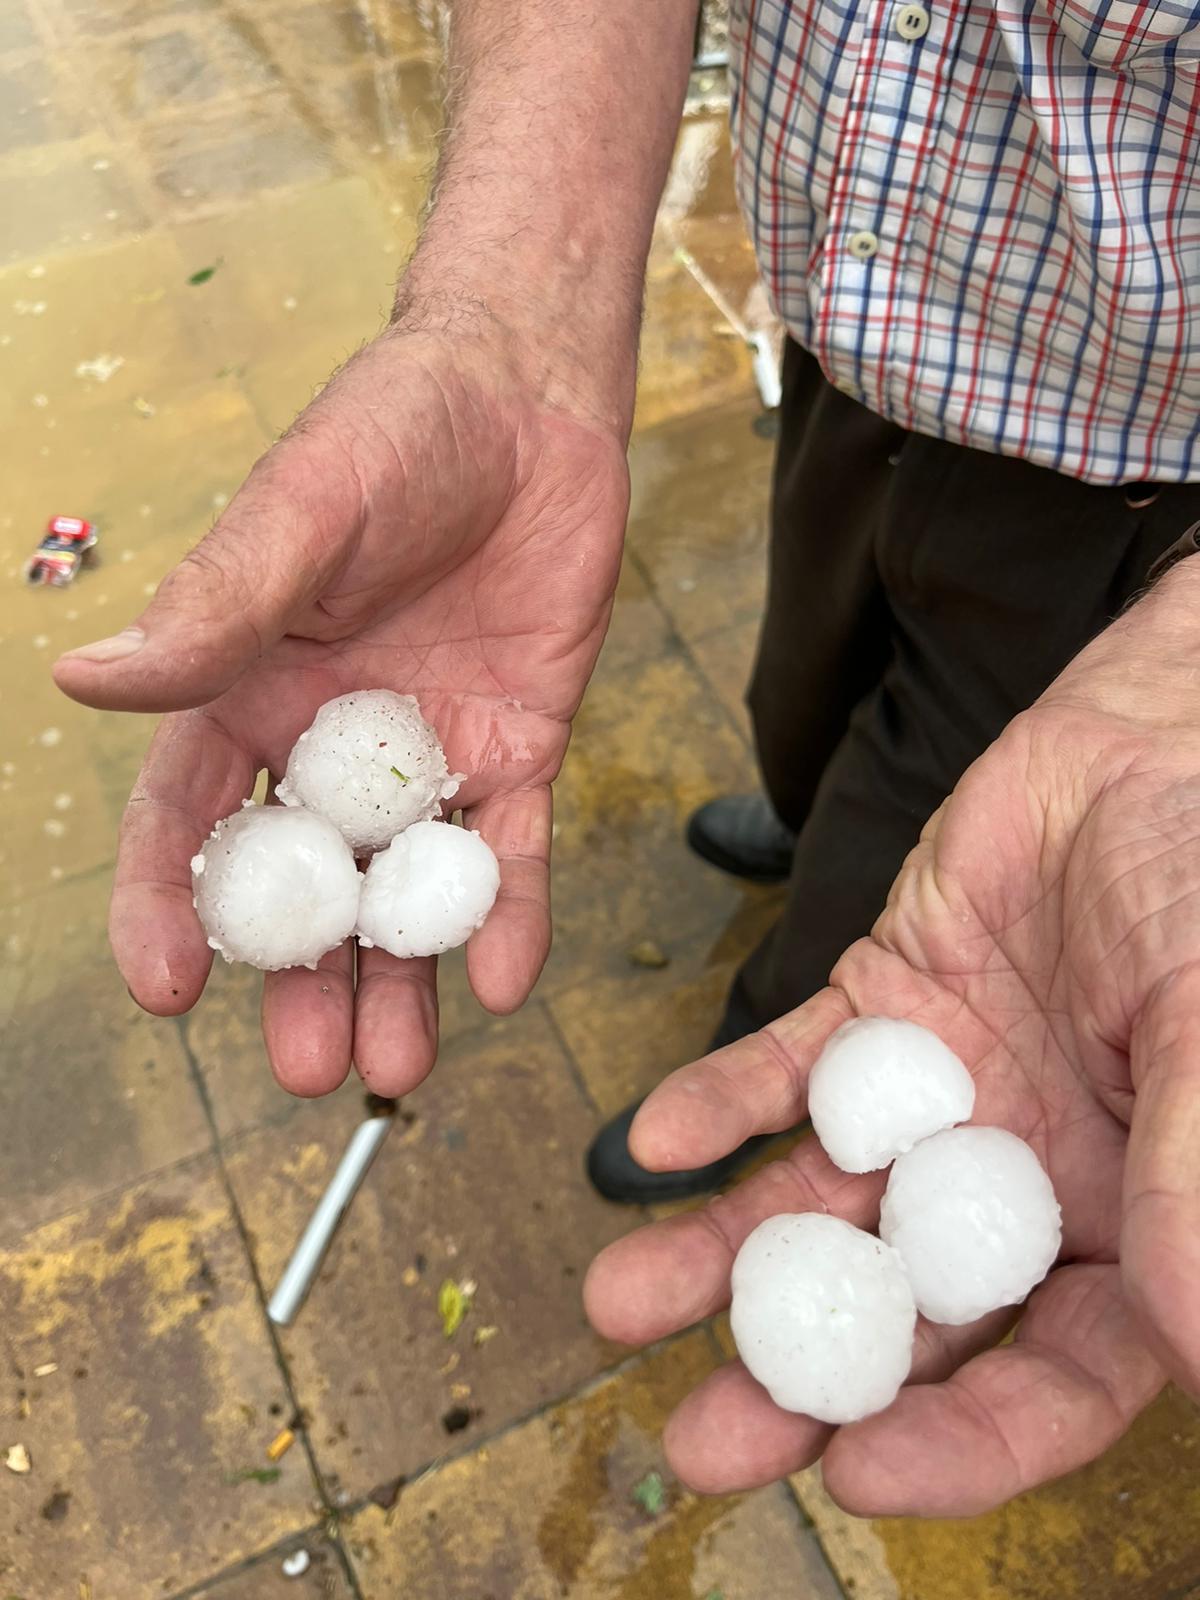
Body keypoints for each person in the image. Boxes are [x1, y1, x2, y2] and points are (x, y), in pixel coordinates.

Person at [53, 0, 1200, 1516]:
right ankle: (799, 820)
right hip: (856, 337)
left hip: (1136, 475)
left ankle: (767, 1046)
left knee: (921, 855)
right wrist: (510, 313)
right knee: (804, 699)